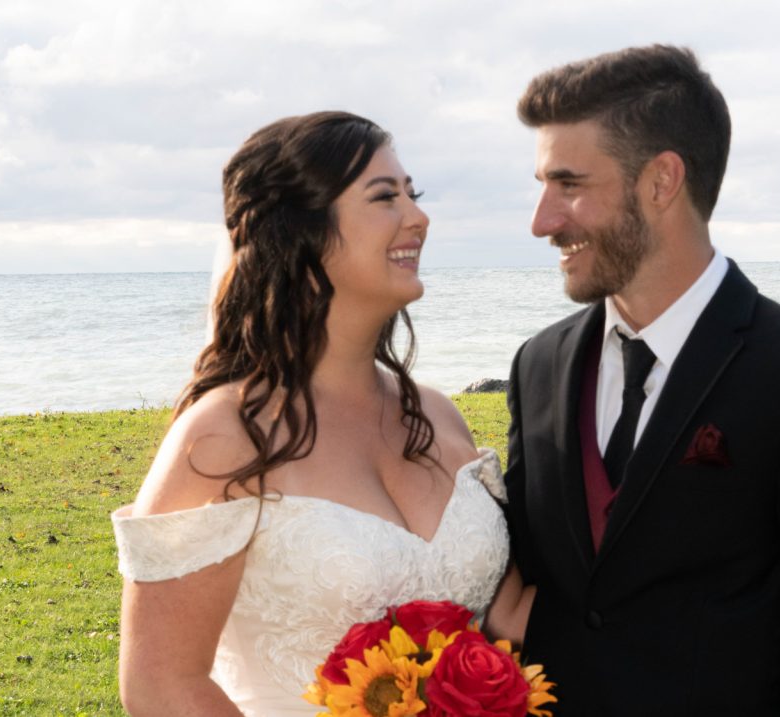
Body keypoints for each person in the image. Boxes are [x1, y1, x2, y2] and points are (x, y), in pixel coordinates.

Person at [504, 45, 780, 716]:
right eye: (541, 186)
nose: (541, 220)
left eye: (568, 184)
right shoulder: (536, 366)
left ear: (661, 182)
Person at [112, 111, 528, 716]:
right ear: (301, 233)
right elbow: (163, 685)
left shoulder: (437, 415)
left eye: (413, 193)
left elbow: (508, 616)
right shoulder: (225, 436)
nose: (418, 217)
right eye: (385, 197)